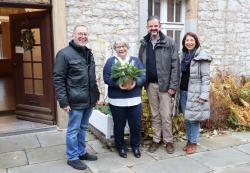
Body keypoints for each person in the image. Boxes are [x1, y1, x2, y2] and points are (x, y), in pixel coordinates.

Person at [53, 25, 100, 170]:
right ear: (73, 35)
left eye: (85, 34)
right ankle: (72, 157)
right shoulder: (64, 54)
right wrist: (63, 101)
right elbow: (58, 78)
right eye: (80, 33)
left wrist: (96, 95)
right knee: (73, 130)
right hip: (74, 101)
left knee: (83, 127)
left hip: (89, 99)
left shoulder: (88, 53)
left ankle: (81, 152)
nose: (83, 36)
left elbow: (91, 78)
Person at [139, 16, 179, 154]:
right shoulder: (144, 43)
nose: (153, 29)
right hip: (150, 85)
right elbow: (140, 64)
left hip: (165, 86)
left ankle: (168, 141)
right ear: (148, 28)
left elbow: (175, 66)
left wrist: (173, 86)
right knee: (155, 115)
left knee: (166, 115)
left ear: (160, 26)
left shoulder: (169, 43)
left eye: (156, 26)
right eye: (151, 26)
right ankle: (156, 140)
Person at [103, 38, 145, 158]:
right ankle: (121, 147)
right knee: (119, 125)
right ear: (115, 49)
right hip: (117, 100)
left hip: (134, 100)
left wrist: (135, 84)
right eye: (118, 47)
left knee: (135, 125)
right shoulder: (110, 62)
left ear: (127, 48)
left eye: (123, 46)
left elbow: (143, 76)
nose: (121, 49)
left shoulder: (135, 61)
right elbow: (106, 78)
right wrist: (118, 84)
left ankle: (135, 146)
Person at [179, 32, 212, 154]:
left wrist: (203, 96)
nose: (189, 42)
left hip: (196, 94)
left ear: (196, 42)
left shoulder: (202, 57)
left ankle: (193, 142)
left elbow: (206, 78)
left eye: (191, 40)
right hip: (183, 92)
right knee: (187, 118)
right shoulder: (182, 56)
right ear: (184, 43)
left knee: (194, 119)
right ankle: (189, 140)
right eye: (187, 40)